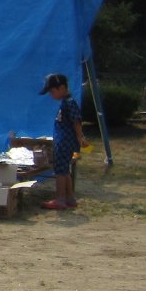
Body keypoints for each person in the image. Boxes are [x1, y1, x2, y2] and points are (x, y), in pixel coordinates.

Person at [39, 72, 85, 210]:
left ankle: (60, 199)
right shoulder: (65, 103)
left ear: (62, 88)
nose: (51, 95)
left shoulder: (70, 103)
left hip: (65, 141)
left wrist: (80, 137)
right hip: (63, 140)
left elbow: (76, 121)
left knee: (59, 171)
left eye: (52, 91)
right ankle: (70, 198)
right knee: (65, 170)